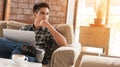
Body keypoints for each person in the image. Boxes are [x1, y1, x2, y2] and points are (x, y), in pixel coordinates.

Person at [0, 2, 67, 64]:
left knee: (16, 53)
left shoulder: (50, 30)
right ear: (35, 14)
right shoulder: (25, 28)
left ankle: (28, 49)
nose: (45, 16)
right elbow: (13, 42)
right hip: (21, 52)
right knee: (6, 47)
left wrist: (49, 26)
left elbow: (64, 43)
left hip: (36, 58)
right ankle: (24, 47)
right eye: (42, 13)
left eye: (47, 14)